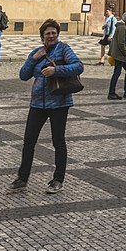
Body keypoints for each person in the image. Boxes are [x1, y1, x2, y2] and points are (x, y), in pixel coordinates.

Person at [9, 19, 84, 194]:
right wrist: (33, 58)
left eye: (53, 33)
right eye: (47, 33)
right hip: (37, 104)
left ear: (57, 35)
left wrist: (56, 70)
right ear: (42, 37)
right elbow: (23, 75)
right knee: (29, 141)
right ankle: (22, 178)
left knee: (58, 141)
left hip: (59, 103)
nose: (51, 36)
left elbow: (79, 66)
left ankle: (58, 180)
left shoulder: (64, 49)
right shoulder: (37, 52)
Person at [108, 12, 126, 100]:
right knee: (118, 73)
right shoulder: (121, 28)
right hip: (120, 55)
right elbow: (121, 43)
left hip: (121, 55)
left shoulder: (124, 27)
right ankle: (112, 93)